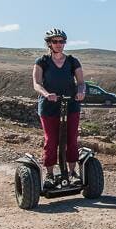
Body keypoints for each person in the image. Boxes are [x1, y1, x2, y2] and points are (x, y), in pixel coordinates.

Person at [32, 28, 86, 179]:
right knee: (51, 141)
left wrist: (81, 92)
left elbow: (81, 82)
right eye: (55, 41)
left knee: (71, 139)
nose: (58, 44)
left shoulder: (72, 61)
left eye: (61, 41)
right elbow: (36, 83)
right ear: (49, 43)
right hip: (49, 106)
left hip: (71, 104)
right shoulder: (42, 61)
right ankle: (49, 175)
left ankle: (72, 172)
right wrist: (46, 94)